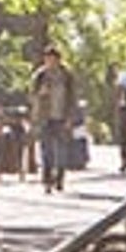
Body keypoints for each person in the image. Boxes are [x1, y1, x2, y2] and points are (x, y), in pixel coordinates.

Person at [28, 44, 78, 194]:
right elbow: (31, 96)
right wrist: (39, 94)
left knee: (61, 150)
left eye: (53, 59)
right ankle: (47, 180)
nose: (50, 62)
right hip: (44, 117)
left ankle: (60, 178)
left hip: (61, 116)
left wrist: (70, 117)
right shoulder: (39, 76)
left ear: (58, 60)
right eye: (47, 59)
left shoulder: (67, 76)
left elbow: (72, 98)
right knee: (46, 150)